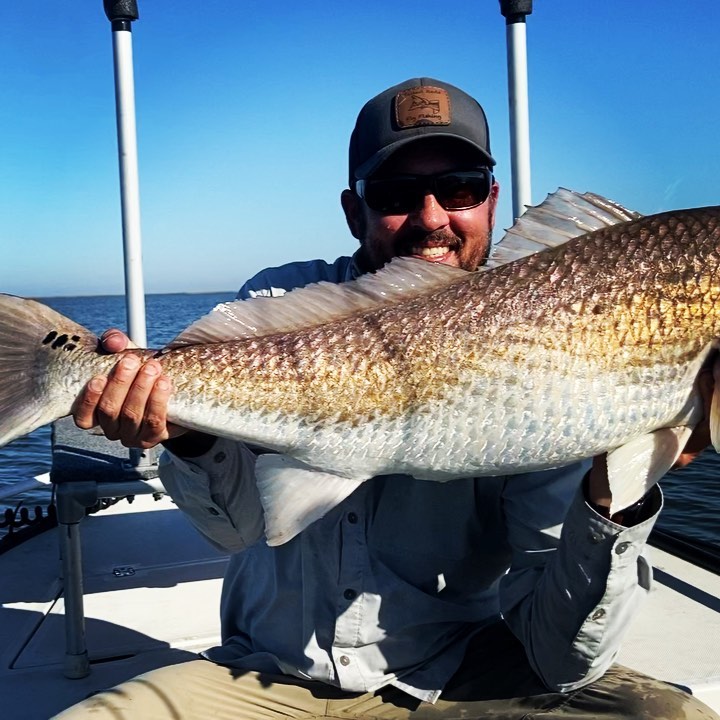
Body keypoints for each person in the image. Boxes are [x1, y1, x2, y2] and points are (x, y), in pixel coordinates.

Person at [59, 78, 719, 719]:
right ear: (355, 210)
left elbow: (560, 658)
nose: (433, 217)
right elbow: (235, 531)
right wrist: (187, 433)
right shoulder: (279, 306)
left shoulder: (561, 342)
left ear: (492, 200)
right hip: (267, 672)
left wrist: (610, 497)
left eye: (459, 189)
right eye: (400, 193)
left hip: (455, 676)